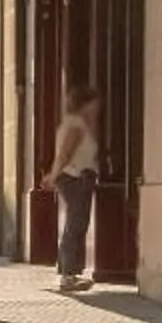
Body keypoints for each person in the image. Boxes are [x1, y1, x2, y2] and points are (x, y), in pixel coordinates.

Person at [43, 90, 102, 292]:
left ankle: (69, 273)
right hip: (76, 177)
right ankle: (67, 275)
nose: (97, 108)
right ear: (85, 104)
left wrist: (53, 175)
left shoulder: (78, 124)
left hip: (77, 176)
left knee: (76, 223)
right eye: (94, 104)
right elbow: (64, 154)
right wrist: (53, 176)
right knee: (75, 224)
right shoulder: (76, 125)